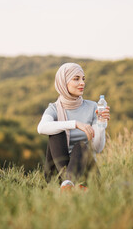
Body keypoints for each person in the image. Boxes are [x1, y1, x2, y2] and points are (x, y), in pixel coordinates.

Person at [37, 62, 110, 190]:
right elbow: (41, 128)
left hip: (86, 172)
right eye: (76, 79)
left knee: (81, 146)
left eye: (83, 79)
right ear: (63, 82)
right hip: (58, 171)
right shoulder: (54, 108)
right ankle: (68, 183)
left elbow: (97, 149)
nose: (82, 83)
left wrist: (101, 125)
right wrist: (75, 124)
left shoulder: (93, 107)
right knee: (56, 130)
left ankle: (68, 185)